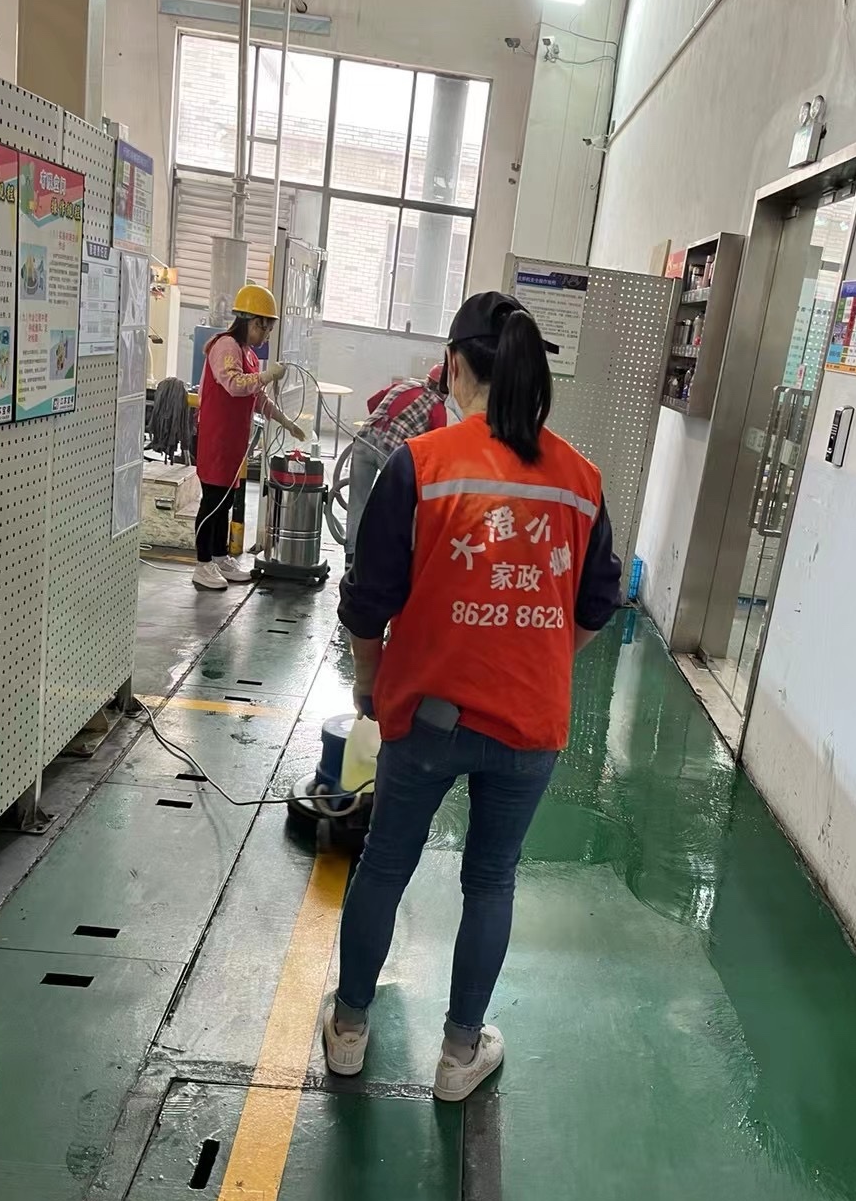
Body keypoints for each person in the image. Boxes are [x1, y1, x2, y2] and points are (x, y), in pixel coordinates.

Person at [328, 290, 623, 1101]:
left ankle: (349, 1030)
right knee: (491, 880)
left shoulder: (422, 466)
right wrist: (542, 654)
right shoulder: (581, 481)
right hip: (529, 725)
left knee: (386, 864)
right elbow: (598, 603)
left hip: (426, 718)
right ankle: (461, 1055)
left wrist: (369, 679)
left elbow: (367, 600)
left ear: (454, 366)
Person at [192, 285, 305, 592]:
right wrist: (267, 376)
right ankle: (203, 564)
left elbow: (257, 397)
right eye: (265, 329)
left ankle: (219, 557)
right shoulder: (225, 346)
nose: (266, 336)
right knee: (212, 500)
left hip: (234, 442)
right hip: (215, 439)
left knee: (226, 500)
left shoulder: (248, 354)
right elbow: (234, 384)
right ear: (253, 322)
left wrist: (285, 422)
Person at [344, 363, 449, 566]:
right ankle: (382, 560)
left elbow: (372, 402)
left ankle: (351, 560)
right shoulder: (437, 408)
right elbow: (434, 445)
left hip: (363, 440)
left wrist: (385, 426)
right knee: (393, 508)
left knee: (357, 502)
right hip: (390, 451)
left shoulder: (403, 385)